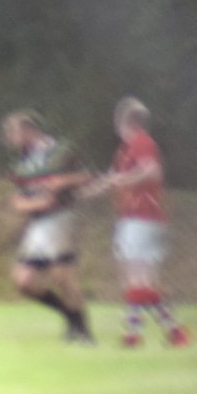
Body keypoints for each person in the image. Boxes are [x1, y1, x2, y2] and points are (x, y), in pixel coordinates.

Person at [81, 98, 189, 348]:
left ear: (122, 121)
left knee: (136, 278)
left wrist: (122, 180)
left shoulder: (142, 142)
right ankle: (169, 333)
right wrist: (87, 191)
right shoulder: (126, 149)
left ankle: (140, 334)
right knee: (139, 280)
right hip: (136, 218)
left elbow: (152, 171)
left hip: (143, 217)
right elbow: (113, 178)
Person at [1, 110, 94, 343]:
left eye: (12, 133)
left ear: (28, 130)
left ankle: (83, 331)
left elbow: (88, 176)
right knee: (23, 281)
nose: (10, 139)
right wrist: (37, 203)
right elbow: (17, 202)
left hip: (61, 217)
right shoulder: (20, 165)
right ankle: (70, 315)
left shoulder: (62, 151)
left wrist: (63, 181)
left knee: (61, 275)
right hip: (37, 224)